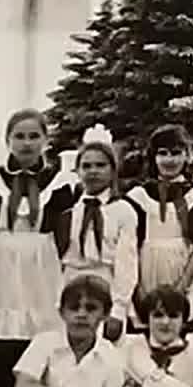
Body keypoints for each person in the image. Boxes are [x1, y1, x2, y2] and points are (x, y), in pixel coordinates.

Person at [0, 109, 77, 339]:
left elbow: (65, 234)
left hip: (39, 264)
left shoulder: (59, 182)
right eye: (19, 136)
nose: (26, 143)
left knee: (38, 330)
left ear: (45, 140)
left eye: (34, 136)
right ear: (8, 140)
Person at [123, 125, 193, 333]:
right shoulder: (138, 196)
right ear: (153, 157)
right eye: (163, 153)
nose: (169, 160)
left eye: (176, 153)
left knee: (186, 326)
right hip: (147, 269)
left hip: (185, 269)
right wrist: (139, 289)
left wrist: (182, 287)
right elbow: (130, 245)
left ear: (186, 156)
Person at [52, 128, 136, 343]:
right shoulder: (69, 210)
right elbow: (57, 259)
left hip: (106, 284)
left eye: (100, 165)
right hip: (70, 283)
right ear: (78, 170)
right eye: (86, 166)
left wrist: (118, 309)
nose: (93, 171)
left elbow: (126, 265)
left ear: (112, 170)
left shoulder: (123, 210)